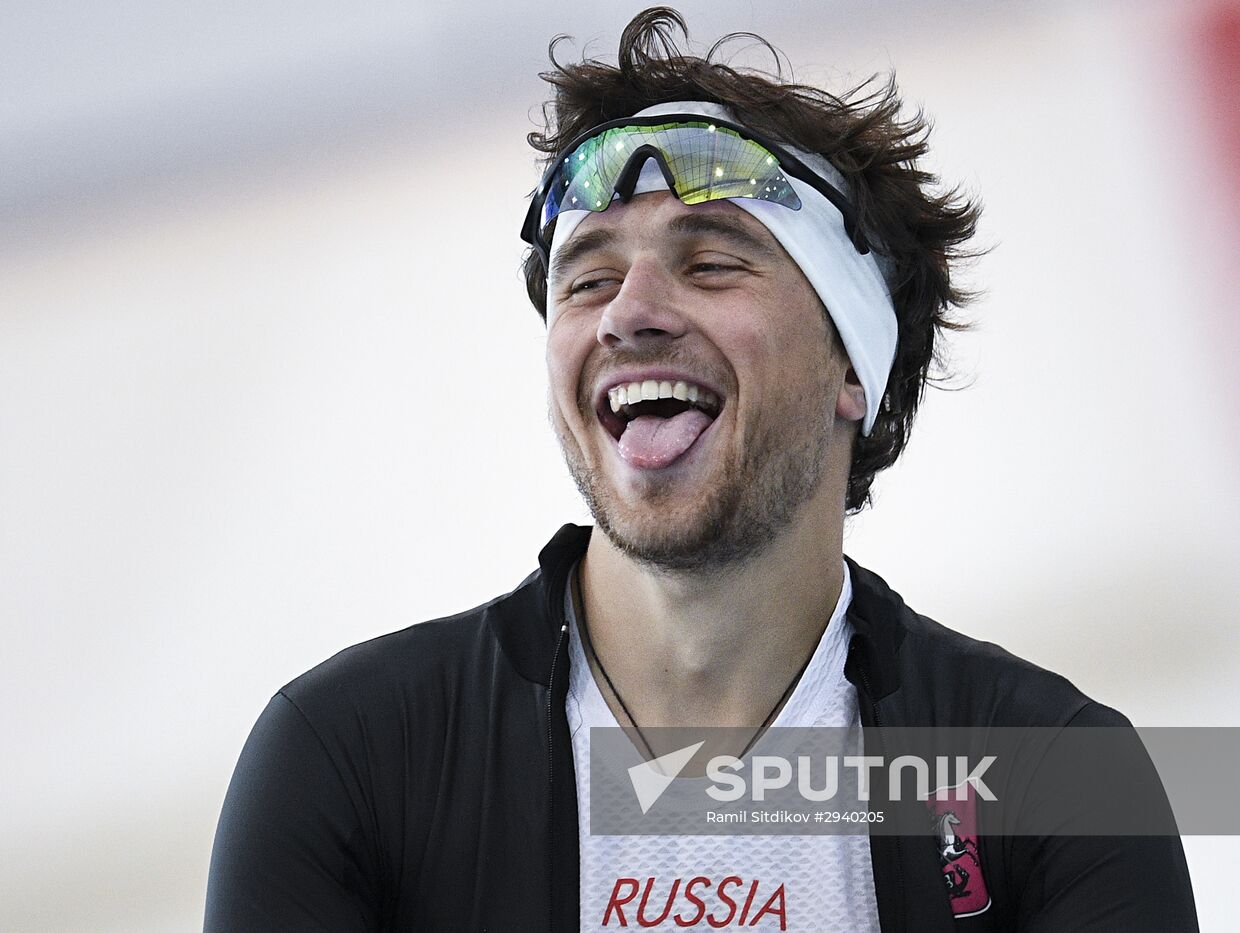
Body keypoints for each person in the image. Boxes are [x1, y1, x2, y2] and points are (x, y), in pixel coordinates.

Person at [204, 8, 1197, 931]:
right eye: (586, 277)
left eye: (711, 261)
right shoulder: (352, 761)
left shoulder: (1056, 777)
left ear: (851, 366)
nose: (627, 312)